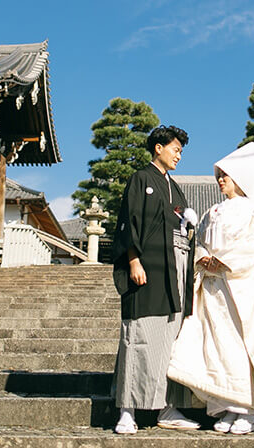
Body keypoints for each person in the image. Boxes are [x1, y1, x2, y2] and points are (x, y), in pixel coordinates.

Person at [166, 141, 254, 435]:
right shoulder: (213, 210)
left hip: (237, 287)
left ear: (241, 179)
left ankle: (245, 410)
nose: (221, 179)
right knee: (214, 345)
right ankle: (224, 406)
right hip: (210, 286)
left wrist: (221, 261)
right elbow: (200, 244)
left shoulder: (253, 211)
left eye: (226, 175)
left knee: (237, 344)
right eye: (219, 174)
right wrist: (202, 258)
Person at [109, 125, 200, 434]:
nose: (178, 155)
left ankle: (168, 407)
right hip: (147, 267)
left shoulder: (175, 187)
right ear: (158, 148)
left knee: (170, 340)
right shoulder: (140, 179)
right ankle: (127, 409)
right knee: (138, 336)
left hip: (175, 269)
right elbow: (128, 222)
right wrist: (133, 260)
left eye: (180, 151)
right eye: (175, 148)